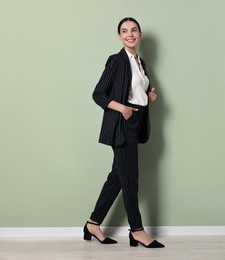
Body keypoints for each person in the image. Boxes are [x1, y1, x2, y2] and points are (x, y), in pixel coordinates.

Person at [83, 17, 164, 248]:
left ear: (139, 34)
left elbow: (136, 90)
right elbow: (98, 94)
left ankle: (92, 223)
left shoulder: (141, 62)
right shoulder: (116, 61)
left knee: (118, 177)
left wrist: (147, 96)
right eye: (124, 31)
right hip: (123, 123)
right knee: (130, 179)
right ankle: (137, 231)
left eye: (134, 30)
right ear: (119, 36)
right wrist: (123, 109)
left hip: (137, 121)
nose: (130, 34)